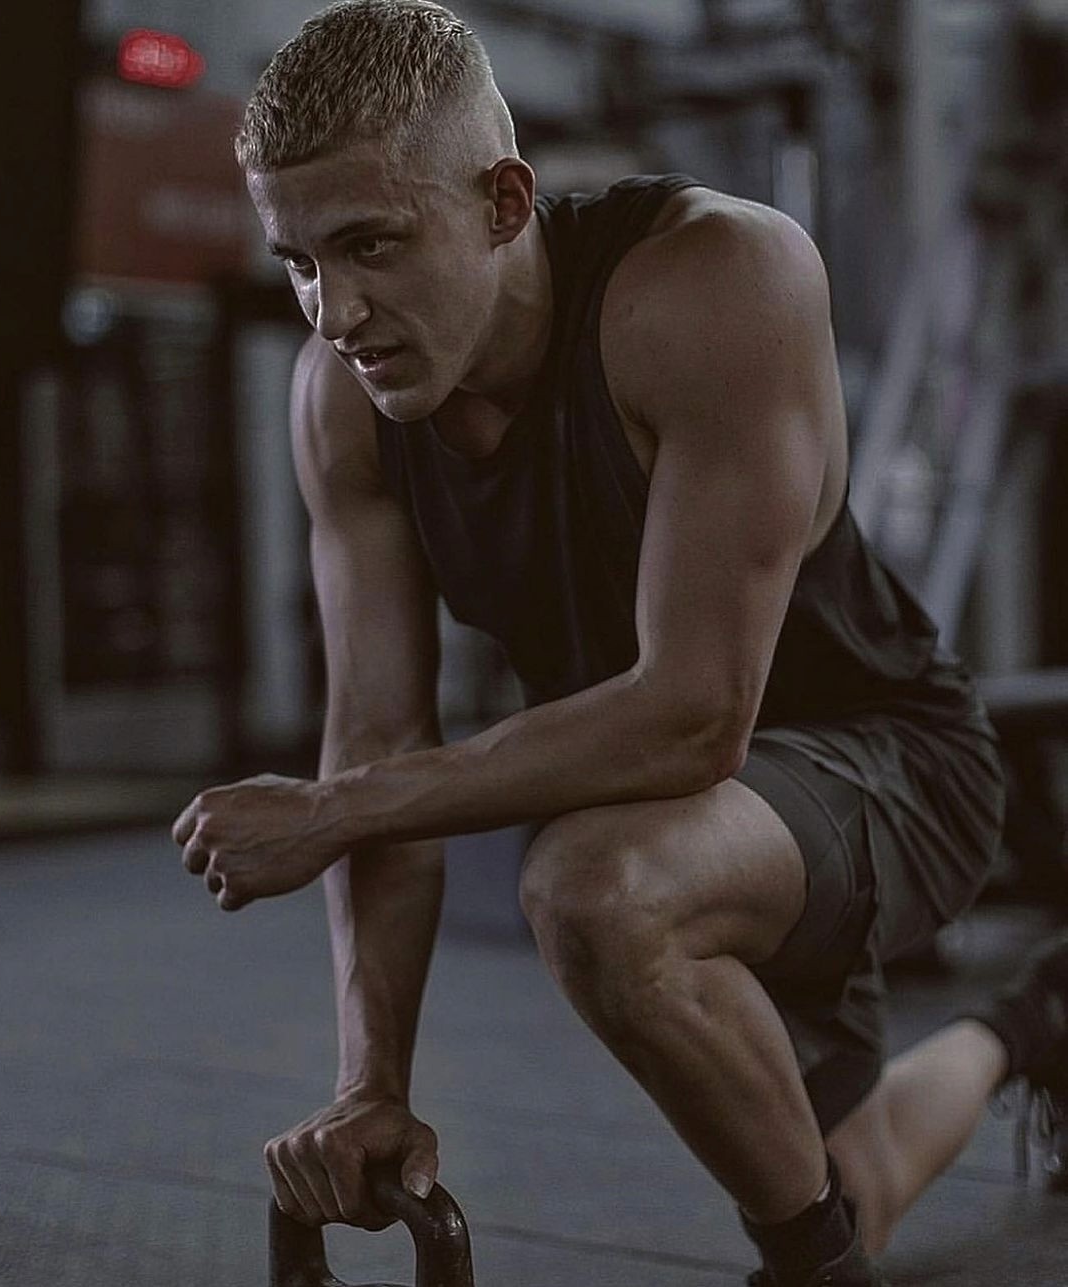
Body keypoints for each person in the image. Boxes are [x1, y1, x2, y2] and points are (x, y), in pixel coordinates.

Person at [171, 3, 1068, 1282]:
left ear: (503, 201)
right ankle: (1033, 1023)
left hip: (884, 763)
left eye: (370, 244)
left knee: (592, 887)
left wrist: (329, 809)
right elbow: (376, 734)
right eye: (299, 262)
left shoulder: (711, 282)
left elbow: (695, 716)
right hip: (678, 815)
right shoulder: (344, 406)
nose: (335, 311)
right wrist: (372, 1085)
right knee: (842, 1180)